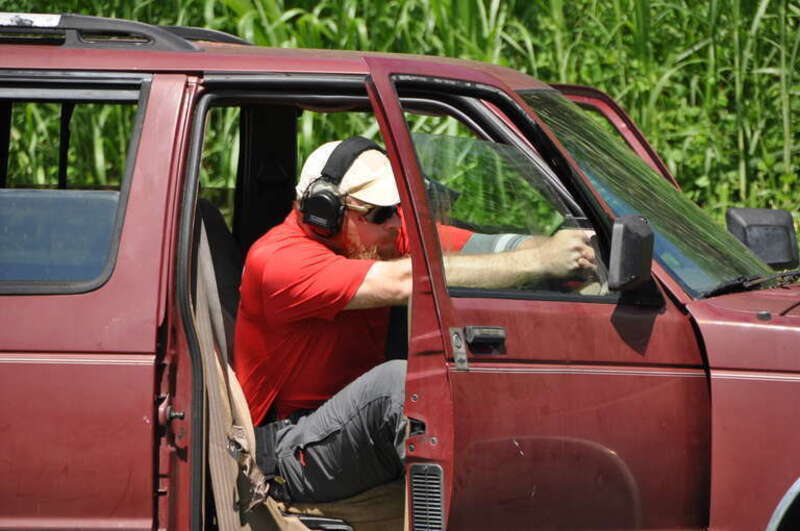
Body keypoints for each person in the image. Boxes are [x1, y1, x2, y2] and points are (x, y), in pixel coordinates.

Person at [234, 136, 596, 503]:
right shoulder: (279, 261)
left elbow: (479, 249)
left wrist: (564, 251)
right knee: (398, 383)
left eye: (395, 207)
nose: (395, 222)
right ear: (326, 211)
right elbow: (404, 281)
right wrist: (537, 263)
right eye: (380, 213)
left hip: (344, 430)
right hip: (286, 449)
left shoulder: (377, 231)